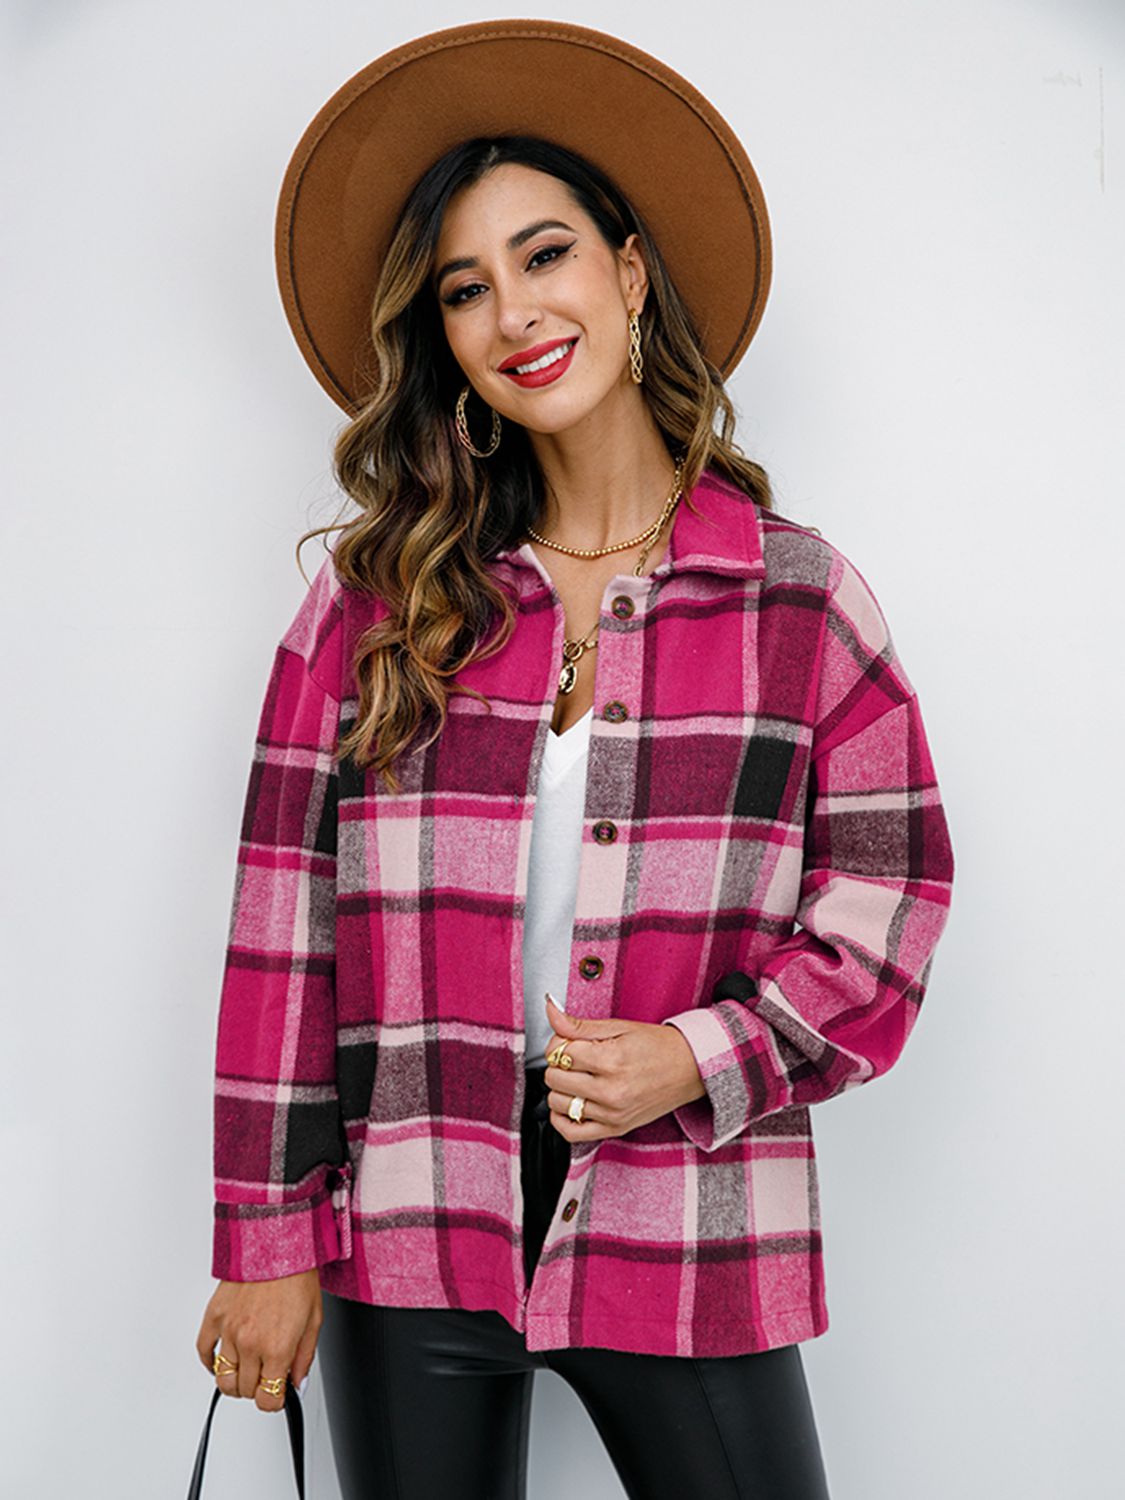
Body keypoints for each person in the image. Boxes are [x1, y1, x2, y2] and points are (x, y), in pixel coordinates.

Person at [195, 20, 955, 1499]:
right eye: (464, 288)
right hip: (409, 1218)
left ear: (629, 272)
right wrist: (264, 1241)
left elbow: (893, 903)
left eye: (544, 255)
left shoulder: (795, 601)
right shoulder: (373, 607)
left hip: (687, 1217)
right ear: (443, 341)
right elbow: (283, 937)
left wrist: (700, 1054)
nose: (513, 312)